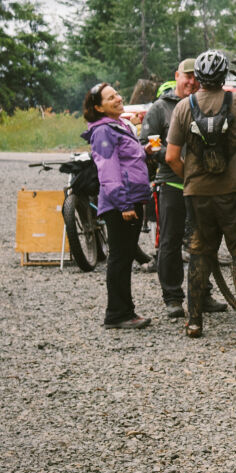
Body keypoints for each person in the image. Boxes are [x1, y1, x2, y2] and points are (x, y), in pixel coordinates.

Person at [164, 50, 236, 338]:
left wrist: (190, 178)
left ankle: (194, 323)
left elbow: (171, 157)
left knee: (199, 253)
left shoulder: (183, 107)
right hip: (235, 190)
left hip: (196, 194)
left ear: (199, 77)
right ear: (224, 76)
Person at [143, 59, 225, 320]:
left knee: (204, 241)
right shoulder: (159, 108)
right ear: (177, 76)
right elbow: (149, 144)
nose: (191, 82)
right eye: (186, 77)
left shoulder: (204, 104)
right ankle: (173, 297)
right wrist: (171, 157)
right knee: (169, 241)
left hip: (204, 186)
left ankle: (203, 293)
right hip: (172, 183)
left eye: (196, 78)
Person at [82, 83, 153, 330]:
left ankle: (125, 310)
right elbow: (108, 170)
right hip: (120, 203)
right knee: (120, 259)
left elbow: (125, 159)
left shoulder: (119, 125)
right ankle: (117, 313)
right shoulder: (102, 132)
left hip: (132, 198)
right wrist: (123, 204)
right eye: (110, 98)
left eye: (117, 94)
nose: (118, 99)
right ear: (98, 107)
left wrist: (144, 151)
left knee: (123, 257)